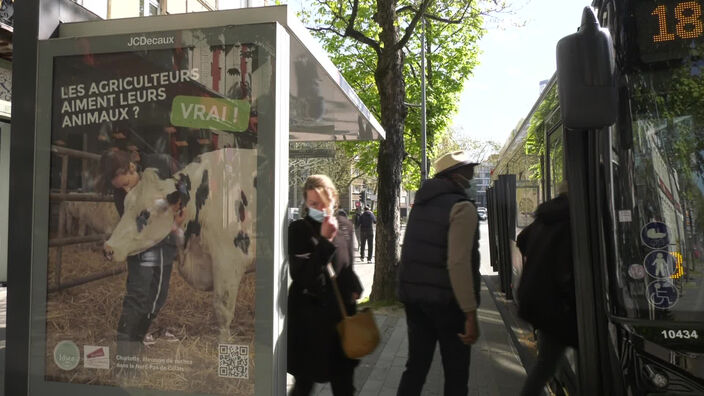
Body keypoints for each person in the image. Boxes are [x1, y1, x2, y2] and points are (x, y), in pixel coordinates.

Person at [397, 150, 481, 396]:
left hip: (415, 300)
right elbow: (458, 263)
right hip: (449, 304)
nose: (472, 173)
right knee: (456, 374)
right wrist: (470, 313)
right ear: (456, 175)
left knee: (415, 368)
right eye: (468, 169)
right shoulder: (461, 207)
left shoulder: (420, 204)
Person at [97, 149, 185, 366]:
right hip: (140, 247)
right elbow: (130, 224)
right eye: (112, 180)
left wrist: (177, 204)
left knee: (158, 297)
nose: (116, 184)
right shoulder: (122, 196)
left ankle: (138, 338)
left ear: (130, 168)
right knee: (136, 298)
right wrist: (115, 244)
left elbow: (181, 184)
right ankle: (126, 359)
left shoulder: (155, 176)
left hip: (163, 244)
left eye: (118, 178)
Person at [287, 174, 364, 396]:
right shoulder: (299, 230)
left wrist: (355, 287)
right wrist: (324, 242)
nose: (320, 208)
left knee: (344, 385)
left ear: (334, 199)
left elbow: (347, 266)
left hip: (340, 321)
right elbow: (305, 277)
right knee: (304, 383)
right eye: (313, 204)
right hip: (310, 324)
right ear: (306, 204)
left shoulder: (345, 226)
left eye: (325, 202)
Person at [516, 181, 577, 396]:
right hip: (556, 305)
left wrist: (538, 260)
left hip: (540, 298)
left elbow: (522, 239)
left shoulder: (549, 214)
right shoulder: (574, 216)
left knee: (547, 361)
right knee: (546, 363)